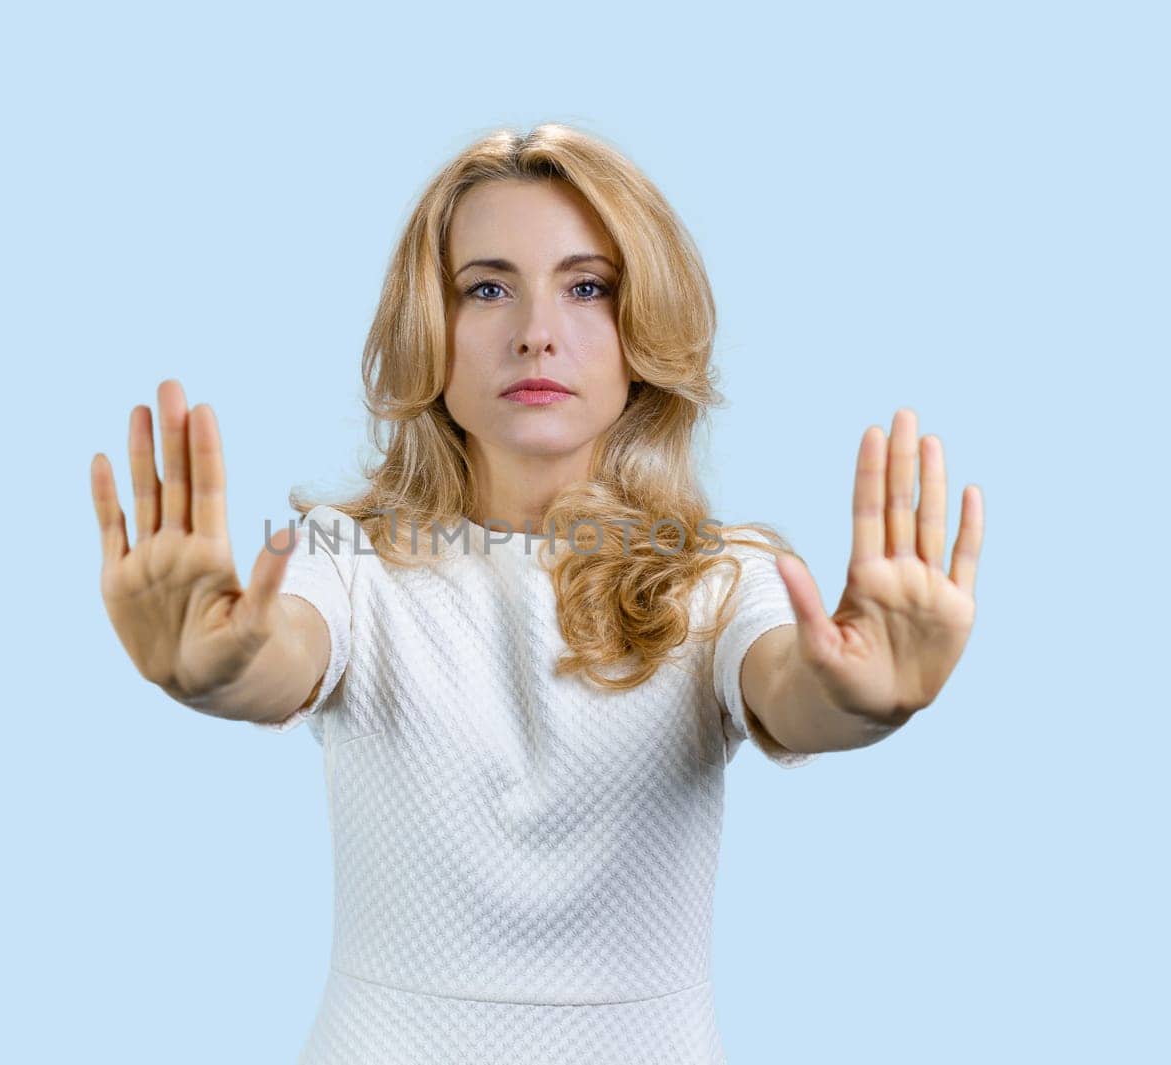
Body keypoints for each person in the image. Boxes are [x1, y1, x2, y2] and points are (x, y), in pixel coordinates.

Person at [88, 123, 984, 1065]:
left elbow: (790, 689)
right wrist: (213, 670)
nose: (536, 332)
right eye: (487, 287)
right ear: (430, 331)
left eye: (587, 286)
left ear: (646, 330)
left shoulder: (718, 579)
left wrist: (862, 700)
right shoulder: (348, 560)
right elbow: (280, 655)